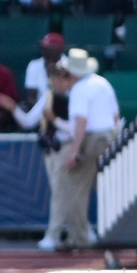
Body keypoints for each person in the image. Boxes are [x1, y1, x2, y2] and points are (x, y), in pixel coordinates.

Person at [41, 48, 119, 251]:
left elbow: (81, 122)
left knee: (73, 188)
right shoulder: (103, 83)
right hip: (109, 137)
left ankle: (80, 238)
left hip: (92, 139)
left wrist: (75, 151)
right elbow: (115, 117)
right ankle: (113, 233)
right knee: (108, 189)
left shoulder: (79, 89)